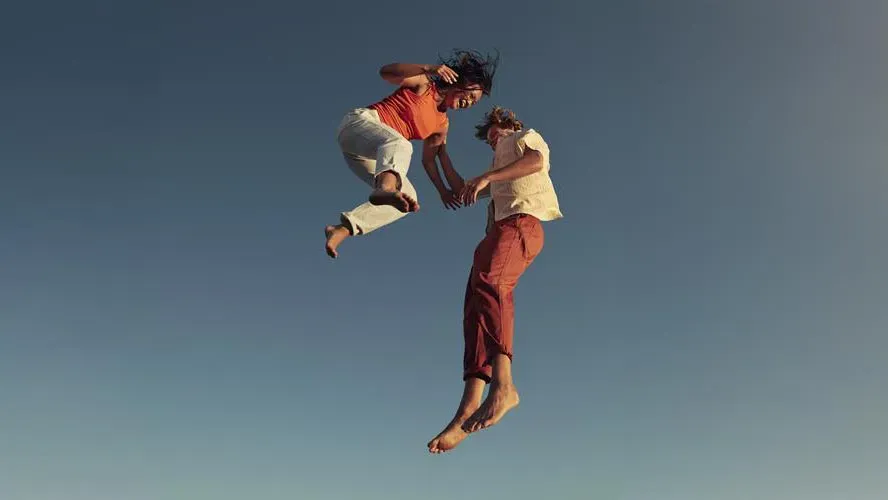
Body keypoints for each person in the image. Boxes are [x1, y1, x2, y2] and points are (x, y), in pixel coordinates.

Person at [427, 106, 563, 453]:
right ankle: (467, 407)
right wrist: (442, 154)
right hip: (498, 232)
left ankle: (504, 387)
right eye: (489, 141)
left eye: (495, 135)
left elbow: (535, 163)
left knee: (491, 283)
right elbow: (461, 188)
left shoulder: (523, 138)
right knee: (474, 308)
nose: (493, 142)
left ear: (509, 126)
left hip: (523, 223)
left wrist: (488, 178)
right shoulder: (495, 168)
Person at [324, 50, 499, 258]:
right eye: (470, 95)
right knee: (401, 144)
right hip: (359, 125)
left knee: (407, 199)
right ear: (459, 81)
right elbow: (386, 72)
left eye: (474, 102)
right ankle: (385, 188)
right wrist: (429, 68)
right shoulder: (424, 84)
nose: (469, 102)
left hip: (366, 154)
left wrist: (442, 190)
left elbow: (429, 160)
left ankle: (343, 229)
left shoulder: (442, 124)